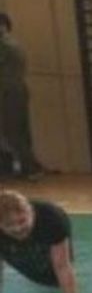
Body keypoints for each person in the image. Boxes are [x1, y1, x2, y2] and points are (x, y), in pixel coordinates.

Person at [0, 190, 84, 293]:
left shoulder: (52, 218)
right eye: (9, 225)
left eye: (22, 221)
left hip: (47, 233)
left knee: (53, 277)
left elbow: (62, 265)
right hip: (7, 242)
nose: (17, 228)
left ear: (31, 212)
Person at [0, 12, 45, 180]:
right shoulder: (12, 43)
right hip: (15, 90)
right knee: (18, 131)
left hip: (9, 92)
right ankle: (28, 166)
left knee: (13, 132)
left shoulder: (5, 45)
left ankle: (30, 168)